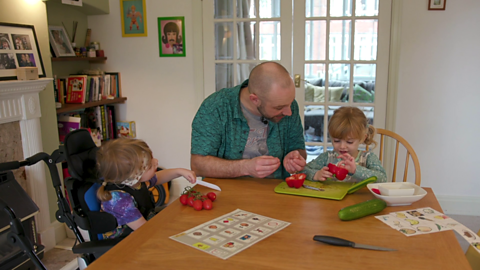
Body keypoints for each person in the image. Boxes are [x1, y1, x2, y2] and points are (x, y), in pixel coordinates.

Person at [191, 61, 306, 179]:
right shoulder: (216, 107)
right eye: (278, 107)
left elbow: (299, 150)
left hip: (275, 191)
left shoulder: (288, 106)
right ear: (254, 99)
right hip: (225, 192)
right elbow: (197, 165)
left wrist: (295, 159)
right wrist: (245, 167)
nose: (289, 112)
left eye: (290, 103)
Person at [96, 138, 196, 239]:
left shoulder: (136, 182)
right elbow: (145, 230)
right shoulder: (119, 200)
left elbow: (159, 177)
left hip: (146, 230)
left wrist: (179, 171)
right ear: (134, 176)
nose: (156, 162)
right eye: (149, 166)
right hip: (127, 244)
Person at [300, 106, 387, 183]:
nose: (342, 146)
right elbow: (302, 171)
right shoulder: (327, 157)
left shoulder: (367, 158)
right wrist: (316, 174)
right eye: (337, 141)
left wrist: (355, 170)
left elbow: (382, 179)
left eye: (349, 142)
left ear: (362, 138)